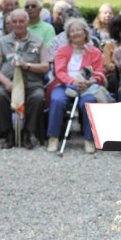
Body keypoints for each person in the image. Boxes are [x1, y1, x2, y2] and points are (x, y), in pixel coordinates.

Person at [0, 9, 50, 149]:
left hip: (32, 83)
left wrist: (27, 65)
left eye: (21, 21)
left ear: (27, 23)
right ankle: (9, 133)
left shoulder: (38, 41)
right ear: (10, 24)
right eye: (14, 22)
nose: (17, 24)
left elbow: (46, 67)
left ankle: (27, 133)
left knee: (38, 97)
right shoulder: (3, 42)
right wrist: (6, 82)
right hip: (9, 82)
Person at [46, 18, 107, 154]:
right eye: (72, 31)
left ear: (85, 33)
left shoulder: (94, 52)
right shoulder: (62, 51)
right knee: (57, 100)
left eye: (78, 30)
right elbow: (59, 72)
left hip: (87, 86)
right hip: (64, 85)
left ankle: (89, 139)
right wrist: (73, 81)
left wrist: (89, 82)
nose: (75, 33)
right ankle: (53, 137)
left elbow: (100, 72)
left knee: (89, 102)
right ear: (68, 35)